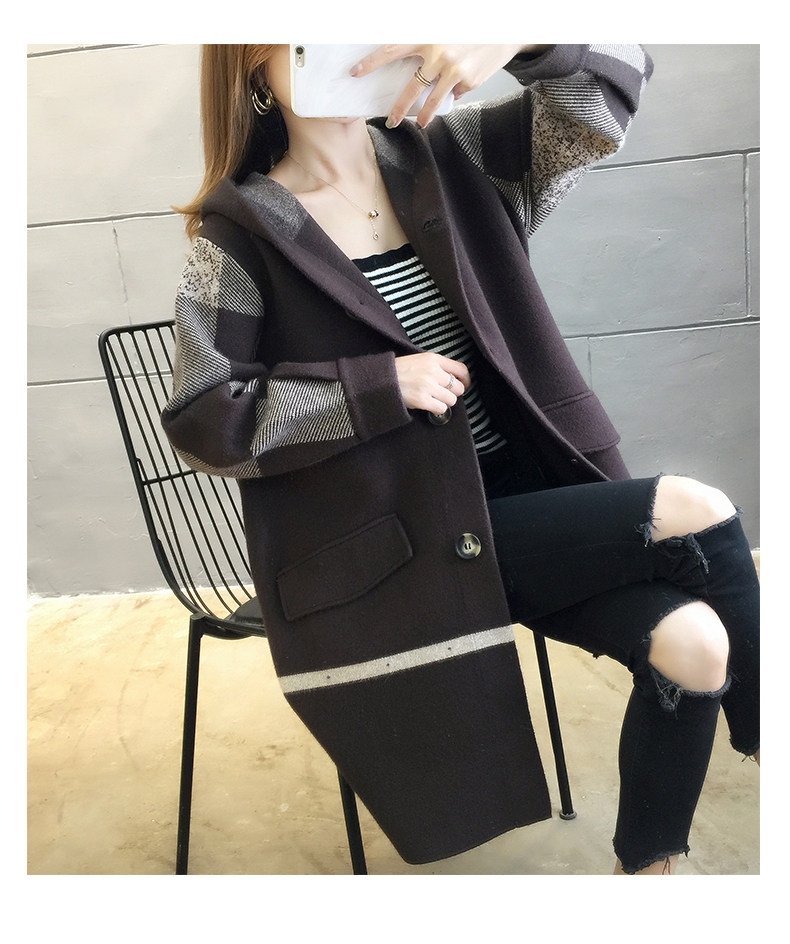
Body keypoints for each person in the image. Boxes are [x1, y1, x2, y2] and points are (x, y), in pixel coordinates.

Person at [162, 44, 759, 875]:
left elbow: (608, 93)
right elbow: (206, 418)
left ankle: (651, 878)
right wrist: (375, 388)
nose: (339, 42)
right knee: (700, 507)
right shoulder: (239, 234)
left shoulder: (456, 154)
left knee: (695, 644)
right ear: (253, 66)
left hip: (533, 499)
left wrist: (511, 38)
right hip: (411, 539)